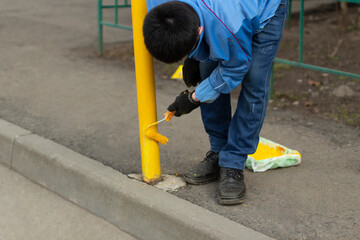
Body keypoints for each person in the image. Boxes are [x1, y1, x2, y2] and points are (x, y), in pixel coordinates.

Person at [143, 0, 288, 205]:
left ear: (199, 30)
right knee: (207, 70)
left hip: (265, 9)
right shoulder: (157, 6)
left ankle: (234, 162)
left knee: (254, 82)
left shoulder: (228, 26)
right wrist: (193, 57)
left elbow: (234, 69)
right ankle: (219, 152)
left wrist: (193, 98)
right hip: (216, 13)